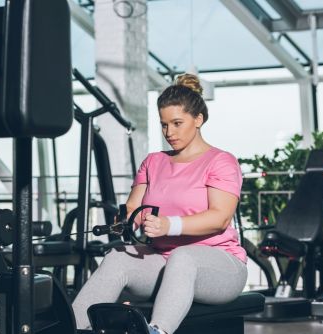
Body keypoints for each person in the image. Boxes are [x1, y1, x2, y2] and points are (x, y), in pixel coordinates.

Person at [72, 73, 247, 334]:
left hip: (221, 268)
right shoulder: (153, 162)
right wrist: (125, 222)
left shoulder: (220, 161)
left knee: (183, 256)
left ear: (198, 119)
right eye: (164, 125)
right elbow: (133, 208)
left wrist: (168, 225)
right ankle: (73, 327)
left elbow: (219, 218)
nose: (169, 133)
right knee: (118, 257)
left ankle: (157, 331)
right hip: (165, 264)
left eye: (177, 123)